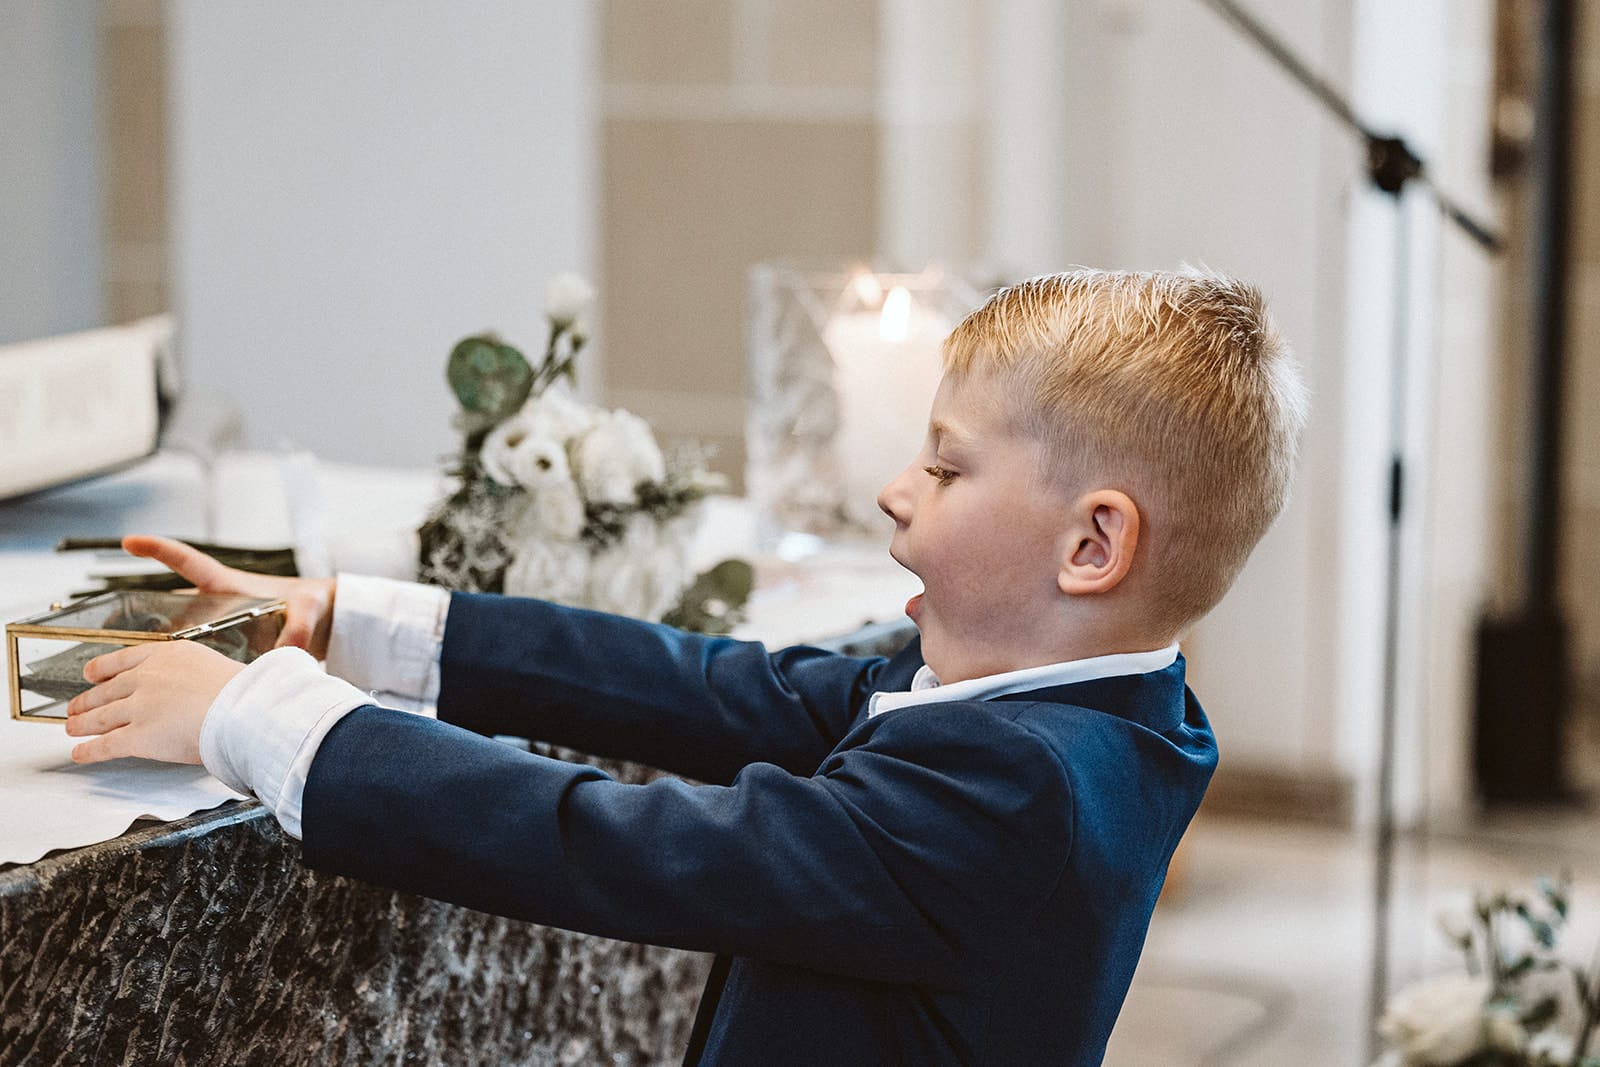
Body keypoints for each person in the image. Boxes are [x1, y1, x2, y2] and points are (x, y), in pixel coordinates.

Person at [63, 269, 1308, 1065]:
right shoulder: (1098, 708)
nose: (893, 488)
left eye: (943, 464)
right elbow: (719, 688)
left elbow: (606, 840)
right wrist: (356, 621)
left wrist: (258, 712)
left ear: (1091, 542)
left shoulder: (1009, 792)